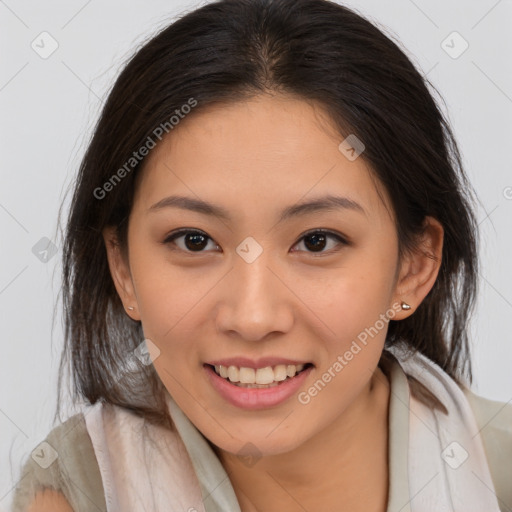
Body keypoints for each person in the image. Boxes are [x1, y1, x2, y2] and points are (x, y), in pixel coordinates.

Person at [10, 0, 512, 511]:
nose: (253, 318)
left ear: (413, 267)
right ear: (124, 268)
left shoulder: (500, 471)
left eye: (317, 241)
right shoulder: (75, 492)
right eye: (194, 240)